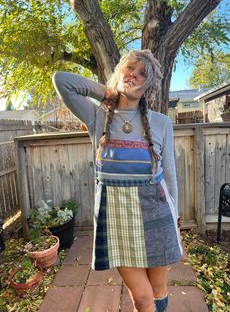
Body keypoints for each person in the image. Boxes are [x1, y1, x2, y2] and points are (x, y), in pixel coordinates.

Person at [52, 49, 183, 312]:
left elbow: (169, 176)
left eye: (142, 74)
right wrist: (109, 93)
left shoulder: (161, 123)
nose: (133, 75)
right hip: (117, 218)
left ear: (149, 86)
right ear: (120, 70)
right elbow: (62, 80)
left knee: (158, 291)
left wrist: (176, 221)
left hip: (157, 216)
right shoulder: (98, 117)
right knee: (142, 298)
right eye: (129, 68)